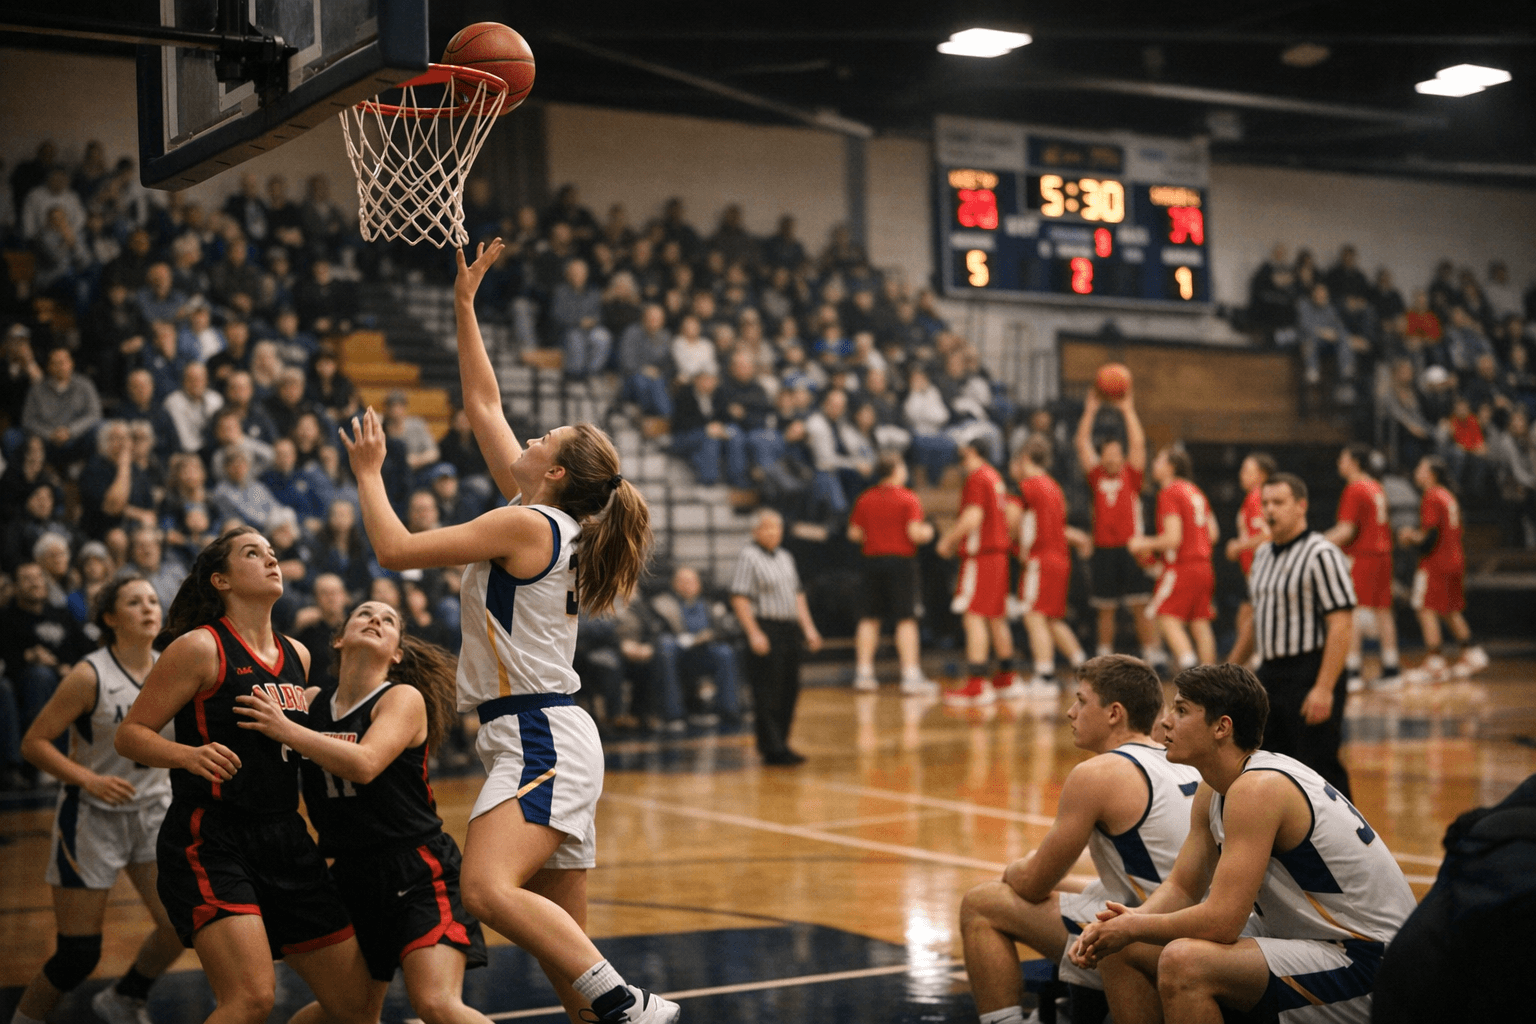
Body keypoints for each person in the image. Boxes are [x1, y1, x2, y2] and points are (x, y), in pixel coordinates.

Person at [343, 237, 677, 1024]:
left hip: (538, 735)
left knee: (487, 890)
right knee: (570, 980)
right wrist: (464, 306)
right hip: (543, 732)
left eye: (543, 441)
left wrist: (368, 474)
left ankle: (629, 1001)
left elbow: (395, 550)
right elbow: (485, 406)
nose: (529, 438)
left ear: (554, 473)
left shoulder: (527, 526)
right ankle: (614, 1005)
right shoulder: (542, 518)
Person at [115, 527, 377, 1024]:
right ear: (222, 580)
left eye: (272, 553)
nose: (272, 560)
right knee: (252, 999)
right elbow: (130, 735)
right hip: (213, 836)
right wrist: (186, 755)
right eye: (253, 554)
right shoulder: (200, 647)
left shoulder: (298, 654)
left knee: (356, 1007)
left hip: (286, 835)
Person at [1068, 664, 1416, 1024]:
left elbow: (1223, 922)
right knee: (1124, 947)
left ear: (1222, 727)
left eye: (1182, 711)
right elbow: (1183, 887)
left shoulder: (1258, 788)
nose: (1165, 722)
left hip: (1370, 959)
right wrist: (1126, 923)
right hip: (1311, 938)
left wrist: (1131, 927)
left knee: (1184, 963)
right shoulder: (1216, 786)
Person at [233, 602, 492, 1024]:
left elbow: (365, 763)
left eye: (388, 621)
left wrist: (286, 729)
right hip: (349, 876)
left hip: (416, 869)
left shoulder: (401, 698)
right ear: (339, 639)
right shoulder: (311, 703)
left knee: (436, 1003)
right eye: (365, 614)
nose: (375, 620)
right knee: (347, 1013)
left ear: (397, 654)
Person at [959, 656, 1200, 1023]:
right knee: (1077, 891)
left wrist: (1015, 868)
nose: (1071, 712)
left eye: (1082, 701)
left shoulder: (1098, 773)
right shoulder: (1181, 760)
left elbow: (1033, 884)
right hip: (1200, 923)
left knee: (981, 903)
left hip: (1153, 936)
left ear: (1114, 713)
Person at [11, 577, 182, 1024]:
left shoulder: (172, 667)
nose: (148, 608)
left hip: (155, 813)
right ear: (110, 618)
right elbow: (34, 743)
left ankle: (126, 996)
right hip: (92, 817)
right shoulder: (90, 674)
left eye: (152, 600)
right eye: (134, 602)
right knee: (78, 955)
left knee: (180, 925)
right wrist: (89, 780)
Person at [1227, 473, 1357, 797]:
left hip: (1310, 671)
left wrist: (1324, 688)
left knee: (1318, 769)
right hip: (1270, 673)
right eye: (1266, 503)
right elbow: (1256, 622)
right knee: (1266, 765)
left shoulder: (1322, 553)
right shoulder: (1262, 555)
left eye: (1279, 502)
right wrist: (1227, 672)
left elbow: (1341, 624)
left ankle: (1345, 829)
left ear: (1301, 506)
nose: (1270, 510)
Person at [1073, 389, 1160, 668]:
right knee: (1105, 608)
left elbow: (1138, 443)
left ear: (1122, 456)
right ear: (1102, 456)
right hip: (1104, 549)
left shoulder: (1131, 474)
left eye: (1116, 453)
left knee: (1140, 604)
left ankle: (1152, 653)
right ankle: (1103, 655)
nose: (1111, 458)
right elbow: (1081, 442)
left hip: (1131, 547)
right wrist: (1091, 410)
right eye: (1107, 454)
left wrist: (1127, 409)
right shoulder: (1095, 475)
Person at [730, 508, 824, 765]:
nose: (773, 532)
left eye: (777, 528)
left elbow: (798, 595)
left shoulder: (786, 556)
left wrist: (809, 629)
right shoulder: (748, 557)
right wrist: (754, 632)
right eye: (767, 527)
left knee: (789, 689)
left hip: (789, 629)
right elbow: (739, 597)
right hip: (766, 627)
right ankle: (771, 746)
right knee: (767, 690)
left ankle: (783, 742)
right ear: (755, 531)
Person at [936, 437, 1021, 705]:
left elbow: (973, 517)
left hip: (982, 556)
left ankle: (976, 684)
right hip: (998, 554)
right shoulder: (994, 476)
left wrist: (948, 540)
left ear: (971, 451)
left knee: (973, 616)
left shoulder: (976, 477)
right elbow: (1012, 513)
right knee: (995, 617)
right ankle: (1007, 677)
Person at [846, 454, 937, 695]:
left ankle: (863, 674)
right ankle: (910, 676)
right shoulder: (908, 498)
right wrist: (928, 532)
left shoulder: (865, 498)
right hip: (901, 563)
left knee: (869, 618)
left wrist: (876, 535)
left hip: (871, 562)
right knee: (906, 619)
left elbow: (854, 534)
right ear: (897, 470)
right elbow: (915, 533)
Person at [1010, 435, 1089, 697]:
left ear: (1023, 459)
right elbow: (1057, 526)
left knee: (1034, 616)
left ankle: (1044, 676)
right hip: (1060, 559)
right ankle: (1085, 670)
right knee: (1052, 618)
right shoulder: (1054, 487)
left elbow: (1013, 520)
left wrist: (1010, 540)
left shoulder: (1028, 486)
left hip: (1040, 559)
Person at [1398, 455, 1488, 683]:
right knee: (1449, 610)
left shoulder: (1431, 495)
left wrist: (1409, 536)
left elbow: (1430, 537)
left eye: (1420, 468)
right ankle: (1473, 654)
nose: (1416, 471)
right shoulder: (1448, 495)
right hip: (1455, 560)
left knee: (1424, 607)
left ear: (1431, 474)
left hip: (1436, 562)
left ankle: (1435, 663)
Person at [1130, 447, 1219, 669]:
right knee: (1200, 623)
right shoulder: (1195, 491)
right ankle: (1211, 676)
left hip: (1182, 566)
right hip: (1204, 566)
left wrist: (1143, 543)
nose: (1154, 464)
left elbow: (1173, 538)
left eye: (1158, 460)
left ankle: (1189, 667)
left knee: (1165, 616)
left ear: (1171, 467)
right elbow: (1213, 533)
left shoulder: (1169, 492)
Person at [1322, 445, 1401, 692]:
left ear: (1354, 462)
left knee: (1351, 613)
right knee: (1383, 611)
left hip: (1364, 557)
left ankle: (1353, 672)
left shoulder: (1355, 488)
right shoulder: (1376, 486)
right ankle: (1391, 669)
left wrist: (1313, 543)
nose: (1339, 463)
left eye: (1342, 458)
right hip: (1383, 555)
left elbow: (1346, 531)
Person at [1223, 452, 1273, 665]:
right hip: (1253, 570)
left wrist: (1238, 546)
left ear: (1262, 474)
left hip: (1261, 569)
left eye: (1247, 470)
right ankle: (1249, 663)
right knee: (1245, 617)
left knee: (1250, 620)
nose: (1241, 474)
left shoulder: (1257, 497)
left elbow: (1267, 535)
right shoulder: (1254, 497)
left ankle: (1240, 666)